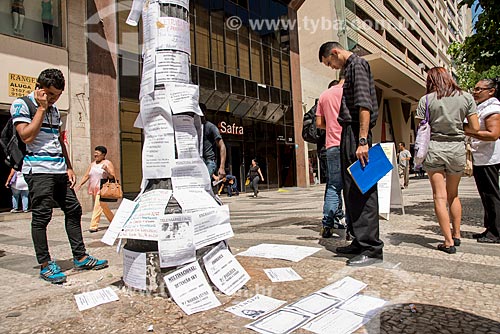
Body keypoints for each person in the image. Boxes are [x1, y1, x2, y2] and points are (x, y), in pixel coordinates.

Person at [11, 69, 108, 284]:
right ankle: (45, 265)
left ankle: (80, 256)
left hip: (58, 170)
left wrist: (69, 167)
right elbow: (26, 136)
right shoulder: (22, 104)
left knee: (73, 209)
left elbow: (58, 141)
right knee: (42, 216)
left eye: (56, 95)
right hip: (38, 171)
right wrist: (41, 109)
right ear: (38, 87)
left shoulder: (54, 111)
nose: (53, 99)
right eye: (49, 93)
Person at [318, 41, 383, 266]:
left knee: (363, 190)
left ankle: (372, 248)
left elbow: (364, 104)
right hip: (349, 133)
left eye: (330, 62)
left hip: (357, 132)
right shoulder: (349, 69)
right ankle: (358, 240)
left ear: (335, 52)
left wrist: (363, 139)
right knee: (350, 190)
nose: (332, 67)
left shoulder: (357, 65)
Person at [416, 67, 479, 254]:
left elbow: (421, 126)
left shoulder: (426, 100)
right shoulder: (466, 97)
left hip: (434, 148)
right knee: (454, 195)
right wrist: (458, 127)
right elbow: (475, 127)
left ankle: (448, 241)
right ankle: (457, 234)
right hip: (457, 149)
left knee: (439, 196)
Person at [465, 78, 500, 244]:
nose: (475, 92)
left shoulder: (493, 108)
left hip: (489, 158)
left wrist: (469, 131)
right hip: (481, 157)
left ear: (491, 91)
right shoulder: (482, 107)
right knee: (486, 196)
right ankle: (490, 229)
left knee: (492, 195)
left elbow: (493, 134)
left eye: (479, 89)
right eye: (475, 88)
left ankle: (496, 232)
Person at [316, 79, 346, 238]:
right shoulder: (348, 92)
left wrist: (332, 125)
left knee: (334, 186)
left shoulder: (324, 95)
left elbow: (319, 123)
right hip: (348, 144)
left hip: (332, 145)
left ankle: (327, 225)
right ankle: (351, 227)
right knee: (352, 186)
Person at [75, 146, 116, 233]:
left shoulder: (107, 163)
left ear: (103, 154)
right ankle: (114, 222)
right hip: (94, 188)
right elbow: (87, 175)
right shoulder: (92, 164)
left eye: (97, 154)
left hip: (102, 188)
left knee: (97, 206)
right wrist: (80, 184)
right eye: (95, 153)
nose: (95, 155)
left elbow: (112, 176)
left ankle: (93, 226)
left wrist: (107, 170)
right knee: (103, 207)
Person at [200, 104, 226, 181]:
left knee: (204, 183)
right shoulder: (195, 127)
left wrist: (222, 167)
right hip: (199, 161)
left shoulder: (211, 127)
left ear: (204, 113)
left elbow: (222, 146)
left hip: (209, 161)